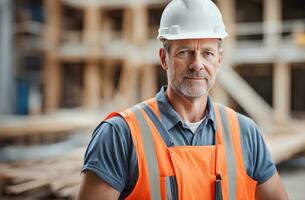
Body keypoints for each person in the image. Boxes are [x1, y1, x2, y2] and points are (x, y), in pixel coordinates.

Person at [78, 0, 288, 199]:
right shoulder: (120, 135)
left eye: (207, 53)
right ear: (164, 58)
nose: (197, 64)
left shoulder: (244, 133)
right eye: (185, 52)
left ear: (219, 59)